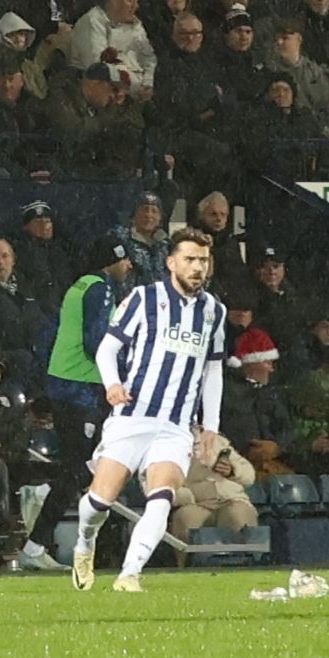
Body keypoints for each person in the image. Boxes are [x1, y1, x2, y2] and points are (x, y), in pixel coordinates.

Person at [70, 225, 230, 588]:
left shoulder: (213, 312)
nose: (197, 267)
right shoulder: (143, 299)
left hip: (175, 425)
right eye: (190, 259)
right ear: (171, 262)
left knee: (161, 496)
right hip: (132, 416)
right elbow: (107, 349)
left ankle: (130, 575)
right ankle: (85, 543)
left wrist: (211, 426)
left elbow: (213, 369)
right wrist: (112, 385)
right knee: (99, 502)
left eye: (203, 260)